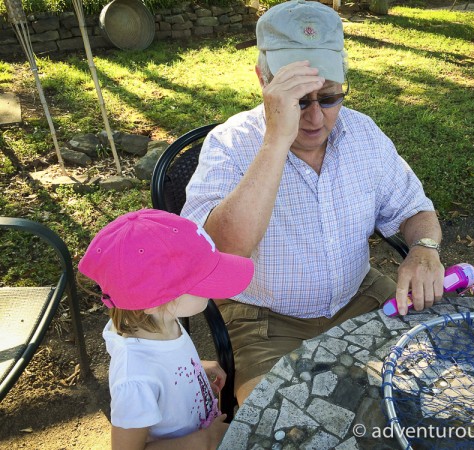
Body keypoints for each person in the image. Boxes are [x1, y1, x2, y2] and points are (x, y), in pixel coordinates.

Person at [181, 0, 444, 404]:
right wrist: (275, 141)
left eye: (330, 98)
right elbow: (219, 251)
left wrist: (424, 249)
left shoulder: (363, 132)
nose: (316, 119)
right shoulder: (231, 143)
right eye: (299, 101)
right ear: (262, 81)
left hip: (362, 296)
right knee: (281, 423)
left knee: (434, 387)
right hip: (265, 319)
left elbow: (414, 208)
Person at [78, 209, 254, 450]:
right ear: (153, 302)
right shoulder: (135, 379)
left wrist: (194, 369)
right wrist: (205, 440)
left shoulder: (162, 321)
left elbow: (161, 363)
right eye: (202, 283)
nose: (212, 290)